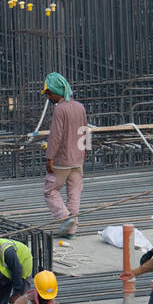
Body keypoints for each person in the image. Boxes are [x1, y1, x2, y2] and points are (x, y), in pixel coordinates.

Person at [42, 71, 86, 237]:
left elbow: (55, 136)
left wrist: (50, 157)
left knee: (50, 191)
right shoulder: (79, 107)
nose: (48, 98)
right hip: (77, 160)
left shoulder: (60, 109)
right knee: (74, 194)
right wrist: (84, 153)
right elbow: (85, 130)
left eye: (49, 94)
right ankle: (71, 230)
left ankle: (64, 217)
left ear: (55, 92)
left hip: (61, 161)